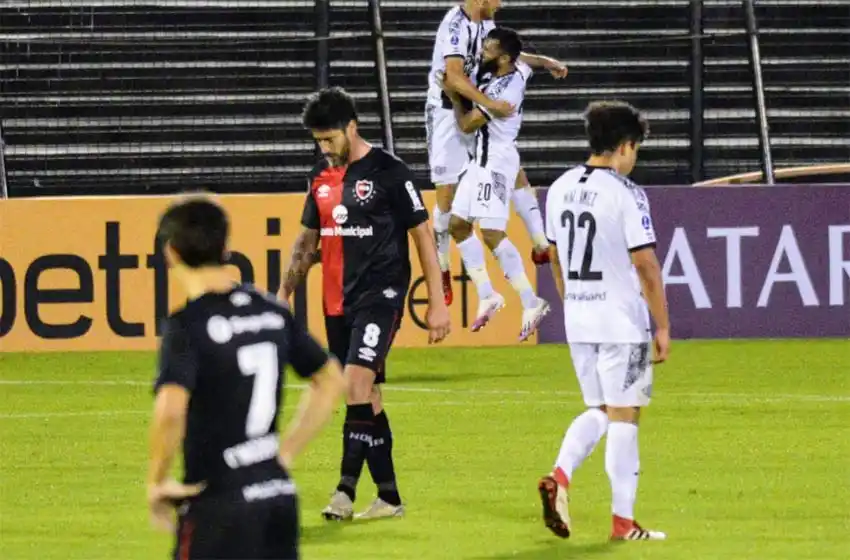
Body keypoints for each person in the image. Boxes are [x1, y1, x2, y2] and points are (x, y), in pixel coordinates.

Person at [280, 87, 451, 521]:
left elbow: (423, 237)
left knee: (354, 385)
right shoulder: (320, 178)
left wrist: (437, 302)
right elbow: (306, 244)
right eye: (318, 141)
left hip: (383, 293)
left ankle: (344, 491)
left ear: (351, 127)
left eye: (330, 139)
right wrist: (283, 294)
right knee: (367, 397)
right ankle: (389, 496)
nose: (325, 148)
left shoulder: (390, 171)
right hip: (337, 300)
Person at [146, 195, 346, 560]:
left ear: (170, 253)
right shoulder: (269, 309)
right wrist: (283, 454)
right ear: (226, 248)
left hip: (218, 503)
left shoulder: (187, 326)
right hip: (277, 498)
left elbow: (170, 411)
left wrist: (157, 482)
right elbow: (331, 379)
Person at [537, 101, 669, 541]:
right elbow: (646, 265)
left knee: (599, 410)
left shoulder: (557, 188)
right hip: (622, 322)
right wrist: (663, 325)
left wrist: (571, 300)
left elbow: (554, 256)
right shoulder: (626, 193)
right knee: (625, 416)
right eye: (636, 149)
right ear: (625, 146)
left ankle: (560, 473)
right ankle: (623, 523)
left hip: (580, 316)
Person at [426, 0, 569, 306]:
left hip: (472, 109)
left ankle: (540, 242)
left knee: (505, 158)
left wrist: (546, 61)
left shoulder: (486, 24)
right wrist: (491, 104)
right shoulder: (455, 26)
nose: (501, 3)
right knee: (446, 202)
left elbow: (513, 55)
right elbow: (452, 77)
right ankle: (441, 268)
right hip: (446, 115)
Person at [442, 27, 549, 341]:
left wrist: (453, 96)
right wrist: (551, 63)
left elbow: (466, 124)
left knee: (490, 232)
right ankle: (488, 294)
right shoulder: (516, 67)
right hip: (480, 161)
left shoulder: (506, 92)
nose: (482, 53)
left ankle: (531, 301)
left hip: (496, 163)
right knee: (458, 225)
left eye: (488, 50)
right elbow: (530, 61)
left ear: (503, 58)